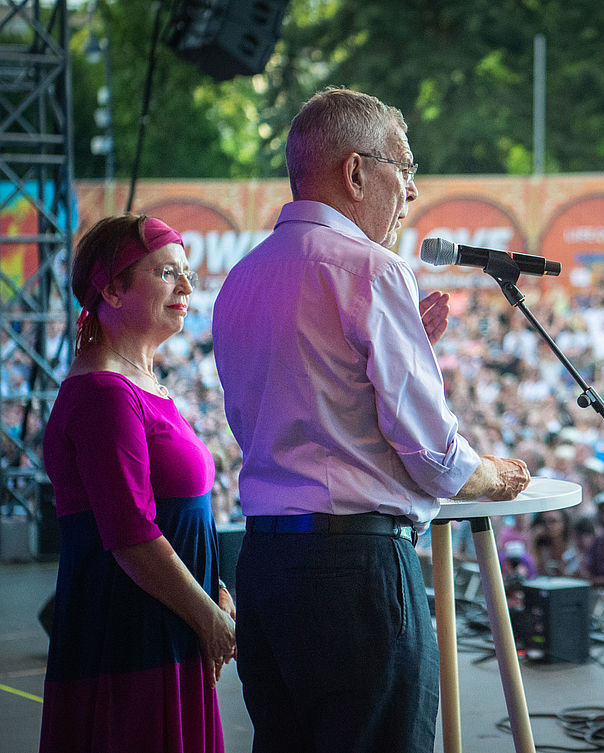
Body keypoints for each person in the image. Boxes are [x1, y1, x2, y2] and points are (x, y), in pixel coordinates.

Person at [212, 87, 530, 753]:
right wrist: (493, 475)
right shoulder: (371, 269)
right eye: (404, 167)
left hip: (265, 562)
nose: (412, 191)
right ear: (356, 172)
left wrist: (405, 345)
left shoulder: (242, 277)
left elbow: (306, 399)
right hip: (354, 567)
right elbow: (432, 453)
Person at [40, 214, 237, 753]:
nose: (186, 286)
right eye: (167, 272)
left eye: (186, 272)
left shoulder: (142, 384)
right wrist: (208, 617)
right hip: (132, 640)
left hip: (166, 623)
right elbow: (131, 535)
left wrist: (213, 587)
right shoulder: (104, 395)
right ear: (112, 289)